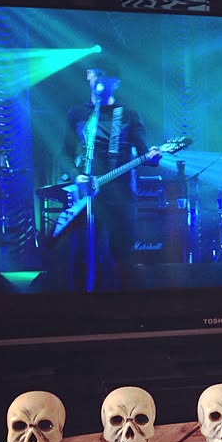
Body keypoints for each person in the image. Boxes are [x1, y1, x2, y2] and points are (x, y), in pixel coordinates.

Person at [59, 56, 161, 290]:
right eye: (94, 73)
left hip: (119, 196)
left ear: (115, 82)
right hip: (86, 196)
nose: (98, 79)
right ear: (88, 77)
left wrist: (154, 157)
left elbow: (145, 154)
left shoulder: (129, 116)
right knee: (81, 259)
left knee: (122, 260)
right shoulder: (78, 114)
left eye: (103, 75)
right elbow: (64, 154)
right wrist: (76, 175)